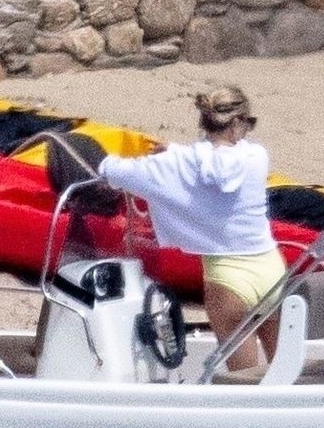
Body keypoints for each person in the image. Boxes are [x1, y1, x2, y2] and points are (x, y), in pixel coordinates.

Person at [97, 87, 283, 371]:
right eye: (249, 123)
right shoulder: (257, 157)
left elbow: (113, 171)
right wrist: (175, 152)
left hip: (228, 277)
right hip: (271, 270)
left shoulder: (175, 165)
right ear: (237, 123)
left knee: (245, 378)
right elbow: (216, 158)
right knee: (285, 369)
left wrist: (167, 157)